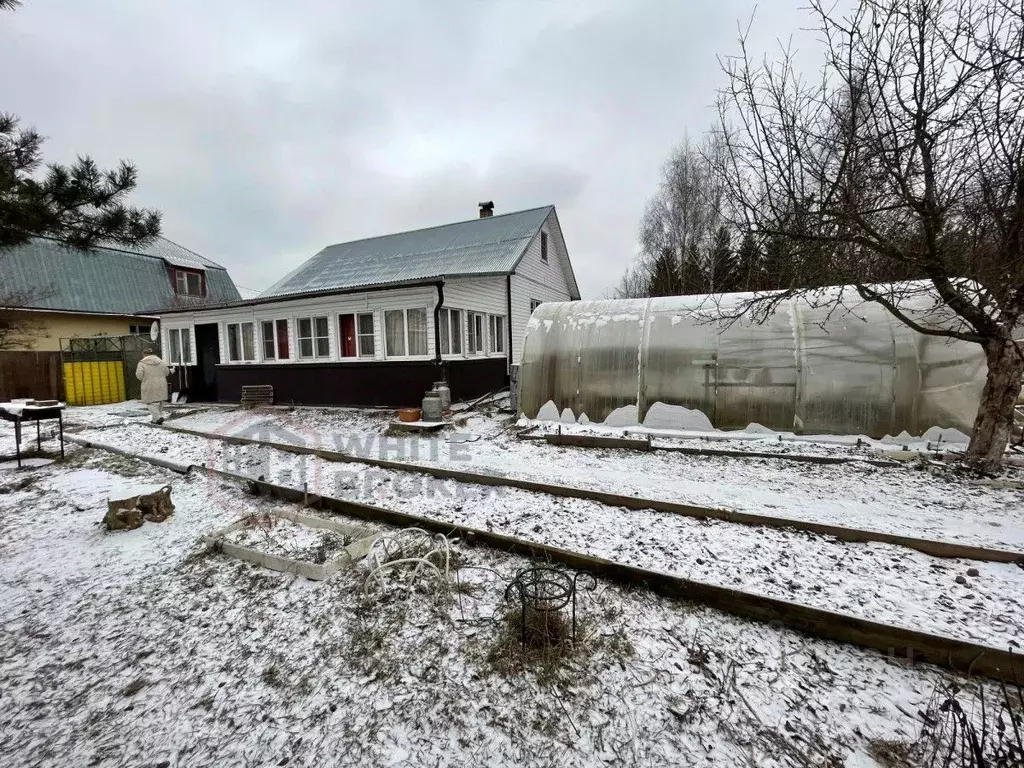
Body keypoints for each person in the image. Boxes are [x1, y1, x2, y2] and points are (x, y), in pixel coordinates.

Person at [136, 347, 171, 424]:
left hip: (149, 384)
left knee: (150, 402)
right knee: (160, 401)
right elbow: (167, 373)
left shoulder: (142, 363)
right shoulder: (161, 362)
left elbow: (139, 375)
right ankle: (155, 420)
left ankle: (158, 417)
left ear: (144, 354)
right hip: (161, 384)